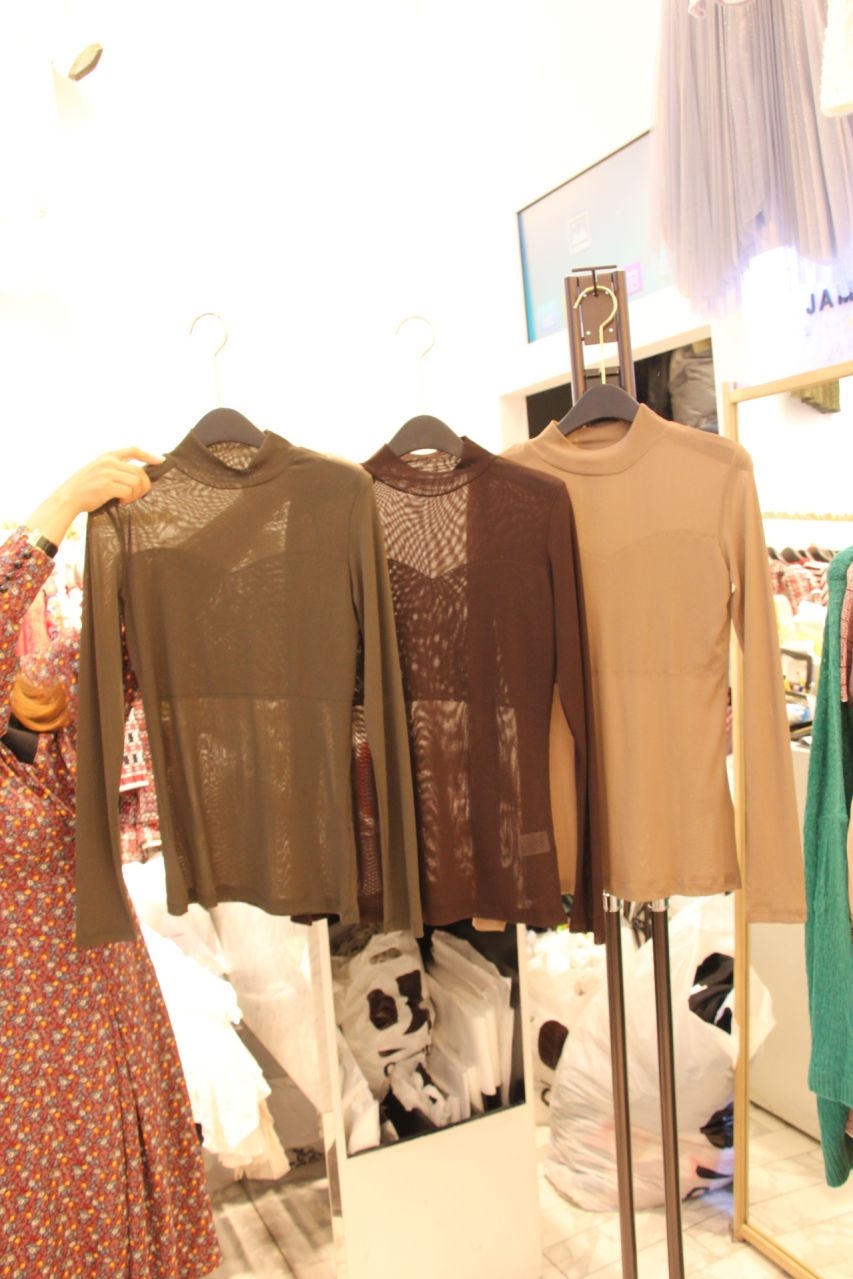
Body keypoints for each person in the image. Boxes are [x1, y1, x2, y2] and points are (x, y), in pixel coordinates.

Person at [0, 448, 222, 1277]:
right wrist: (62, 503)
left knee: (130, 1195)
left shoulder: (35, 708)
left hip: (105, 986)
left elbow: (114, 652)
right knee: (55, 1214)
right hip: (27, 1031)